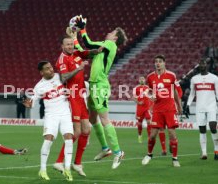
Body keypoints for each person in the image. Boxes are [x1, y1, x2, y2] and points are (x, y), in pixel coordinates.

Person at [75, 16, 127, 169]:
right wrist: (74, 37)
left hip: (100, 86)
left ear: (115, 37)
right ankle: (106, 149)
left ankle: (118, 152)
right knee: (92, 118)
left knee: (104, 118)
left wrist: (82, 28)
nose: (109, 33)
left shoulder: (110, 44)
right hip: (93, 85)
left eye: (112, 32)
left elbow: (89, 43)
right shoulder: (102, 50)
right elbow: (83, 51)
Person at [54, 33, 101, 176]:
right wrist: (79, 69)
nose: (70, 46)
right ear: (62, 46)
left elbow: (91, 53)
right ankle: (59, 161)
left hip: (80, 97)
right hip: (71, 97)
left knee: (86, 130)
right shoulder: (62, 59)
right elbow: (63, 78)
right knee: (77, 131)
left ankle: (77, 163)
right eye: (67, 44)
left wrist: (101, 48)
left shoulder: (77, 54)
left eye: (71, 44)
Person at [23, 61, 74, 181]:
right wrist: (29, 104)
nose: (51, 70)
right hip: (51, 116)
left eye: (51, 67)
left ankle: (67, 169)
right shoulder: (39, 86)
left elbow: (71, 85)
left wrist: (69, 92)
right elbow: (32, 102)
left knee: (69, 139)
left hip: (66, 113)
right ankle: (42, 169)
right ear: (41, 72)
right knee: (48, 139)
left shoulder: (60, 76)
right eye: (47, 68)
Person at [141, 54, 182, 167]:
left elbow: (175, 92)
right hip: (157, 110)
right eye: (156, 61)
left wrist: (179, 106)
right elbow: (146, 90)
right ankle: (149, 155)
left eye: (160, 61)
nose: (157, 63)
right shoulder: (150, 77)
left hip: (170, 109)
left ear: (164, 63)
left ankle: (175, 159)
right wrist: (150, 96)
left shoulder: (171, 75)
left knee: (172, 134)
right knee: (152, 135)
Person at [187, 58, 218, 160]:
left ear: (207, 65)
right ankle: (204, 153)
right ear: (199, 66)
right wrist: (187, 105)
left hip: (211, 106)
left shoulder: (214, 78)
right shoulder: (194, 79)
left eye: (203, 64)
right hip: (199, 107)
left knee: (213, 128)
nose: (202, 66)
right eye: (200, 64)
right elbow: (192, 93)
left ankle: (216, 150)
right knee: (202, 130)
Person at [133, 76, 167, 155]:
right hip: (140, 108)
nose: (141, 80)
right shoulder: (136, 88)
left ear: (144, 80)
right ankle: (140, 135)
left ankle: (149, 136)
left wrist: (152, 101)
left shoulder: (148, 88)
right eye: (140, 79)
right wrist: (138, 102)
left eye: (143, 79)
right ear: (138, 80)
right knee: (140, 123)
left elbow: (152, 96)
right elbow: (134, 98)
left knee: (149, 122)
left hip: (147, 108)